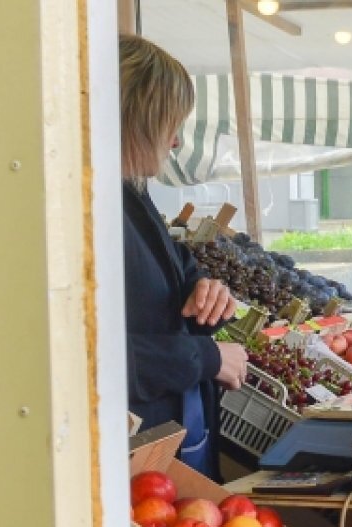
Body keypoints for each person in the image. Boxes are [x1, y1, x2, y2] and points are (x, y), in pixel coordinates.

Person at [120, 35, 247, 479]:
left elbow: (173, 268)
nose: (175, 143)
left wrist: (201, 290)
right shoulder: (87, 214)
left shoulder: (131, 196)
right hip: (135, 462)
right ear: (138, 119)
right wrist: (208, 358)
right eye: (171, 124)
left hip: (165, 450)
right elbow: (104, 357)